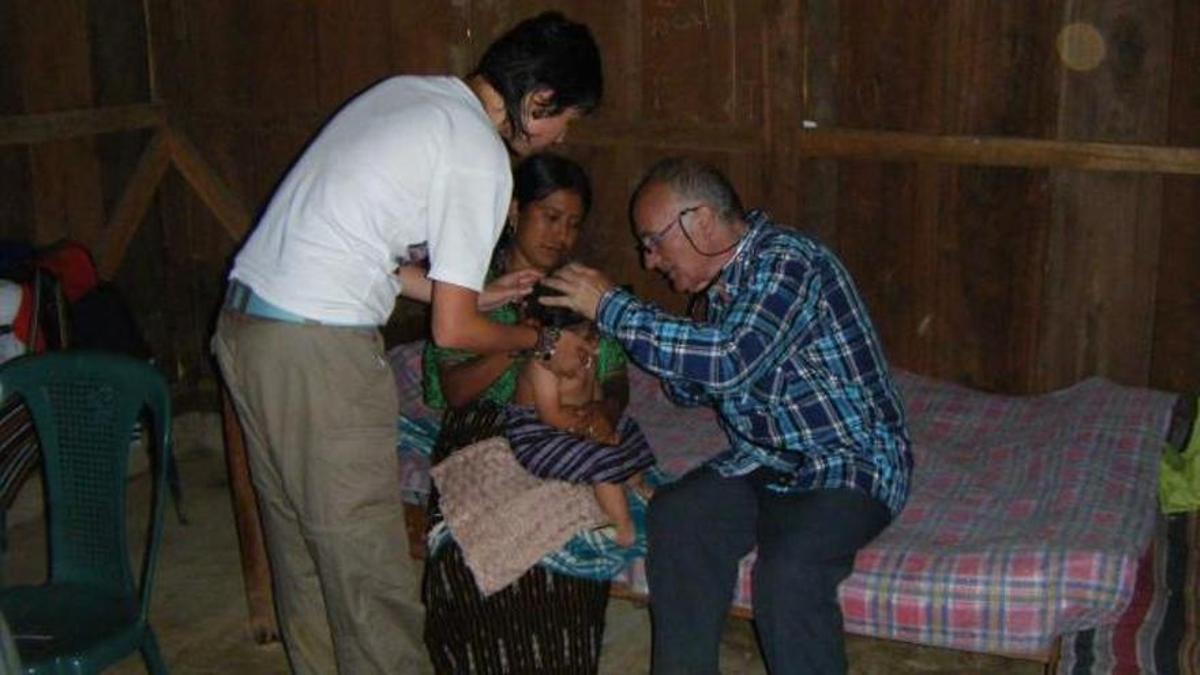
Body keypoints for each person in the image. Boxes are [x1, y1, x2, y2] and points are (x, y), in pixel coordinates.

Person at [210, 13, 602, 674]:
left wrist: (473, 296)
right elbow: (451, 335)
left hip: (248, 329)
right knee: (369, 575)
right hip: (316, 349)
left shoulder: (410, 96)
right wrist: (537, 336)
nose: (563, 136)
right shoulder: (479, 152)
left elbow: (370, 255)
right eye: (566, 120)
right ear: (538, 101)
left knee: (304, 556)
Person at [541, 157, 913, 674]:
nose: (650, 261)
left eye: (653, 242)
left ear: (699, 223)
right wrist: (619, 334)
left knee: (789, 574)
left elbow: (730, 359)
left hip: (849, 460)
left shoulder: (789, 262)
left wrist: (613, 309)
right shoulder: (719, 293)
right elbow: (696, 388)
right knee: (678, 515)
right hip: (766, 459)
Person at [423, 153, 651, 544]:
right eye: (550, 217)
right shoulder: (472, 286)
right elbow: (455, 392)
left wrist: (604, 411)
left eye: (573, 225)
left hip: (566, 427)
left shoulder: (574, 291)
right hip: (483, 428)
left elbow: (614, 376)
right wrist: (528, 343)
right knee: (504, 523)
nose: (561, 236)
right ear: (515, 211)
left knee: (591, 492)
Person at [510, 301, 653, 548]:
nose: (594, 346)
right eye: (586, 338)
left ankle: (637, 484)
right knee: (600, 456)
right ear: (557, 342)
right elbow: (551, 415)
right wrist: (589, 430)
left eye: (595, 336)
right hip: (540, 433)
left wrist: (601, 417)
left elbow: (595, 393)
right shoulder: (541, 365)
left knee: (627, 429)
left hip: (579, 420)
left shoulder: (588, 356)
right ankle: (621, 526)